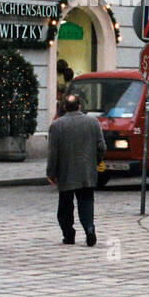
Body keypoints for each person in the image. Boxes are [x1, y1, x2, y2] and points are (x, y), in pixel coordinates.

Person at [47, 93, 105, 246]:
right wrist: (95, 161)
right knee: (86, 202)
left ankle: (69, 234)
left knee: (65, 205)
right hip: (87, 170)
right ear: (80, 106)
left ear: (64, 107)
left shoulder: (57, 125)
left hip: (66, 172)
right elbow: (101, 147)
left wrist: (51, 173)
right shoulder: (93, 122)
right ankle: (89, 229)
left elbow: (53, 153)